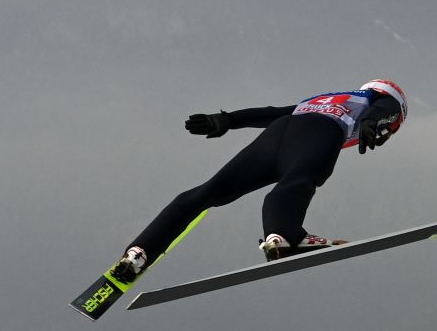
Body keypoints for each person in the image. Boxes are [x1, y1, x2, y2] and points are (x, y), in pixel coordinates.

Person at [110, 79, 408, 282]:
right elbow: (384, 110)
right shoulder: (379, 100)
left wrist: (226, 120)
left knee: (207, 192)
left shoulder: (325, 99)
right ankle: (284, 236)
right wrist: (372, 122)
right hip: (322, 132)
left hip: (278, 133)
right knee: (297, 182)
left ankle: (138, 253)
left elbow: (271, 113)